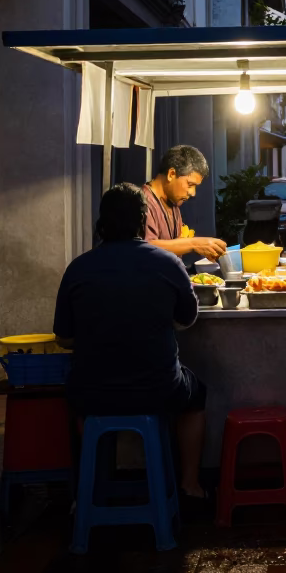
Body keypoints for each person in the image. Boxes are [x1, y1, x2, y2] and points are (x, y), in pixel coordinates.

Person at [53, 183, 211, 516]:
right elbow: (188, 318)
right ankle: (190, 484)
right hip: (158, 390)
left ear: (102, 223)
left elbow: (63, 338)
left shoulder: (78, 268)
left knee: (76, 404)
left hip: (93, 393)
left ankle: (86, 492)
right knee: (196, 395)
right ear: (143, 221)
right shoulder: (167, 263)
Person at [144, 145, 227, 261]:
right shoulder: (141, 203)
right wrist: (193, 244)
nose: (192, 193)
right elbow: (144, 249)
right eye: (190, 184)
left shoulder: (173, 204)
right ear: (171, 174)